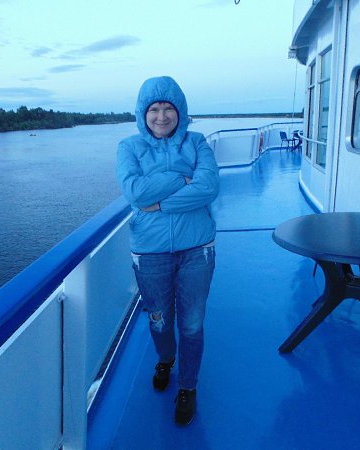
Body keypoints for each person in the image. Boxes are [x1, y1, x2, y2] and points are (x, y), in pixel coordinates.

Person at [116, 76, 219, 425]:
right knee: (159, 320)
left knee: (191, 324)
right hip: (150, 252)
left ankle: (188, 386)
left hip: (197, 249)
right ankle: (165, 359)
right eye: (154, 109)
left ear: (180, 111)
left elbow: (209, 187)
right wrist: (180, 180)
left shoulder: (197, 142)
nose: (161, 116)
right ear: (143, 114)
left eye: (168, 108)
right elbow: (135, 192)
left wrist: (159, 204)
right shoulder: (129, 147)